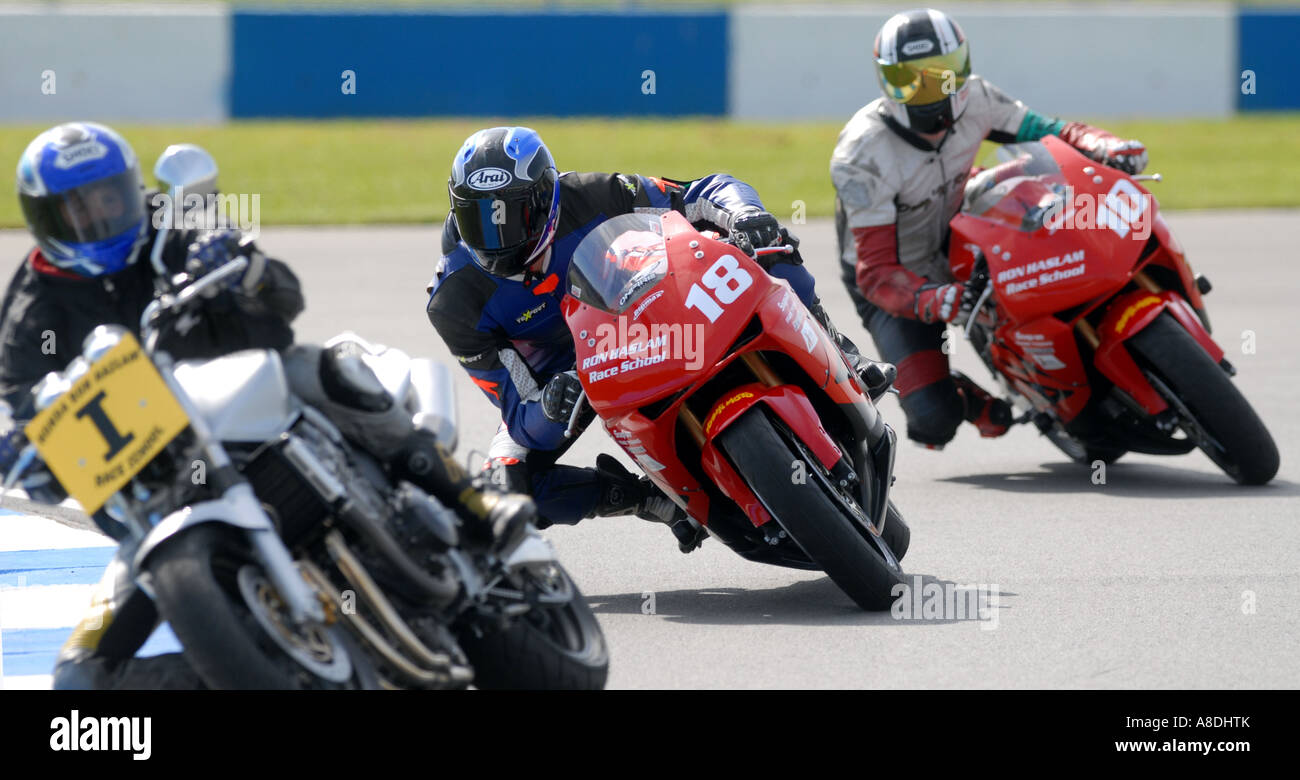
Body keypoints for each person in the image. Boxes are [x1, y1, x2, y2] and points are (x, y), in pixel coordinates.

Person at [0, 122, 530, 688]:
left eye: (109, 198)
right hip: (152, 505)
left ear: (132, 190)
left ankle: (471, 500)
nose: (98, 218)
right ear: (43, 221)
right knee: (80, 677)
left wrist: (241, 266)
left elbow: (285, 297)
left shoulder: (165, 230)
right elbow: (30, 418)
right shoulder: (29, 315)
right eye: (76, 211)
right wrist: (22, 448)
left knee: (321, 367)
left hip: (236, 401)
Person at [427, 126, 885, 552]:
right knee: (503, 487)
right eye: (478, 218)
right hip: (559, 374)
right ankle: (649, 499)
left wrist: (745, 213)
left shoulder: (592, 194)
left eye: (512, 215)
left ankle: (840, 350)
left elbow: (699, 193)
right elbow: (516, 407)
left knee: (766, 242)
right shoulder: (454, 300)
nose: (497, 237)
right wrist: (548, 408)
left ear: (548, 196)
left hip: (628, 309)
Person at [832, 8, 1149, 449]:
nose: (929, 91)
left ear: (961, 67)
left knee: (1054, 222)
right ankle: (967, 398)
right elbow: (876, 273)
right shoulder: (860, 155)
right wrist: (937, 297)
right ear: (886, 81)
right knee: (931, 421)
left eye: (939, 75)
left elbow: (1051, 133)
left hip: (961, 229)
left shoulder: (977, 97)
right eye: (910, 79)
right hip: (896, 276)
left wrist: (1103, 144)